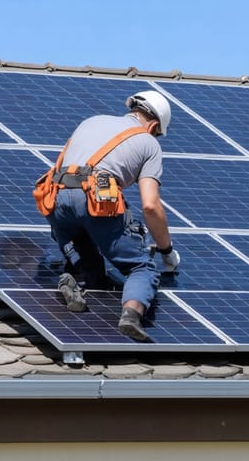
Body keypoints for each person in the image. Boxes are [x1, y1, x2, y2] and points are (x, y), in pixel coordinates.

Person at [44, 90, 180, 341]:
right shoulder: (148, 143)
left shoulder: (91, 121)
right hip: (96, 202)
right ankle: (131, 314)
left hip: (56, 200)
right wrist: (166, 250)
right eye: (158, 133)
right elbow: (150, 206)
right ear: (153, 125)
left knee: (96, 275)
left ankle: (73, 278)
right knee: (141, 266)